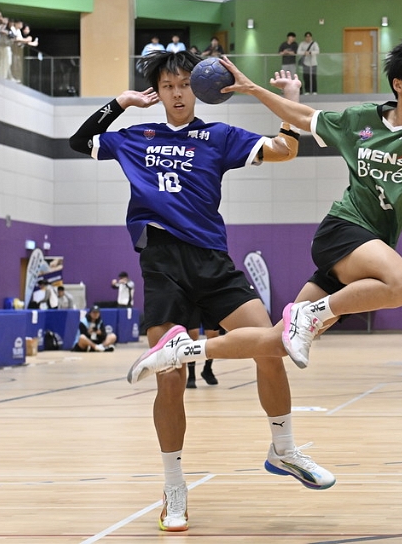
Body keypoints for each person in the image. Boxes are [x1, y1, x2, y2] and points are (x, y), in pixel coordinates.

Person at [70, 49, 333, 532]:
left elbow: (285, 149)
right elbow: (79, 140)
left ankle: (284, 448)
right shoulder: (135, 138)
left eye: (185, 84)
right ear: (157, 92)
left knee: (271, 346)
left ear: (199, 88)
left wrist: (291, 101)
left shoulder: (219, 136)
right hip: (162, 264)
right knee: (170, 379)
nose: (177, 93)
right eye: (168, 86)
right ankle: (174, 485)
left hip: (212, 262)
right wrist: (121, 102)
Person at [127, 35, 402, 379]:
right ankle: (308, 315)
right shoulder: (361, 120)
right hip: (343, 230)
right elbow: (302, 117)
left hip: (372, 245)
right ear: (399, 84)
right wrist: (253, 89)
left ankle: (184, 351)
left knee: (276, 342)